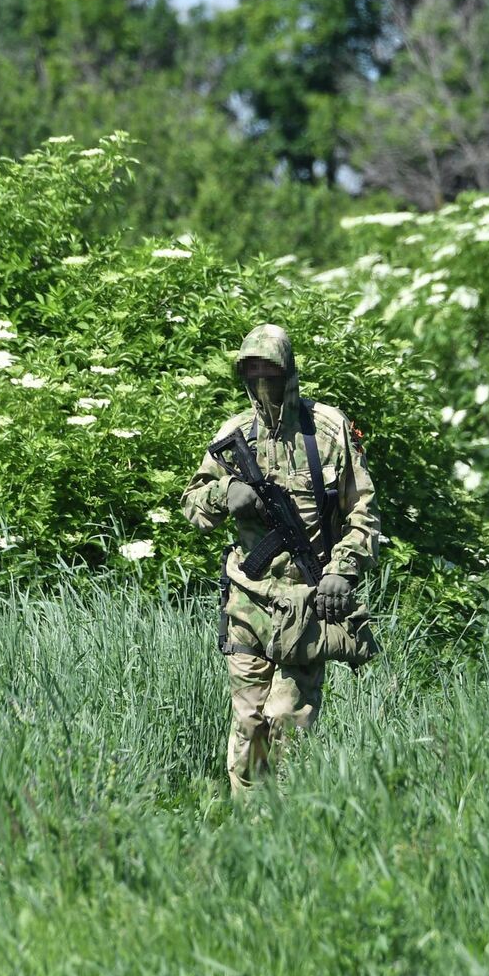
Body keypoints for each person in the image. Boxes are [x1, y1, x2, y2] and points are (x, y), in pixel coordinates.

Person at [181, 323, 380, 793]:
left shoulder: (328, 430)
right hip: (247, 603)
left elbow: (364, 512)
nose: (262, 381)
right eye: (252, 371)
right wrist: (227, 492)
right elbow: (192, 503)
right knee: (249, 725)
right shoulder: (234, 434)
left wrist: (341, 573)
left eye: (271, 370)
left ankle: (284, 829)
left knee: (286, 724)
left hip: (307, 602)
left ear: (289, 373)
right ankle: (249, 837)